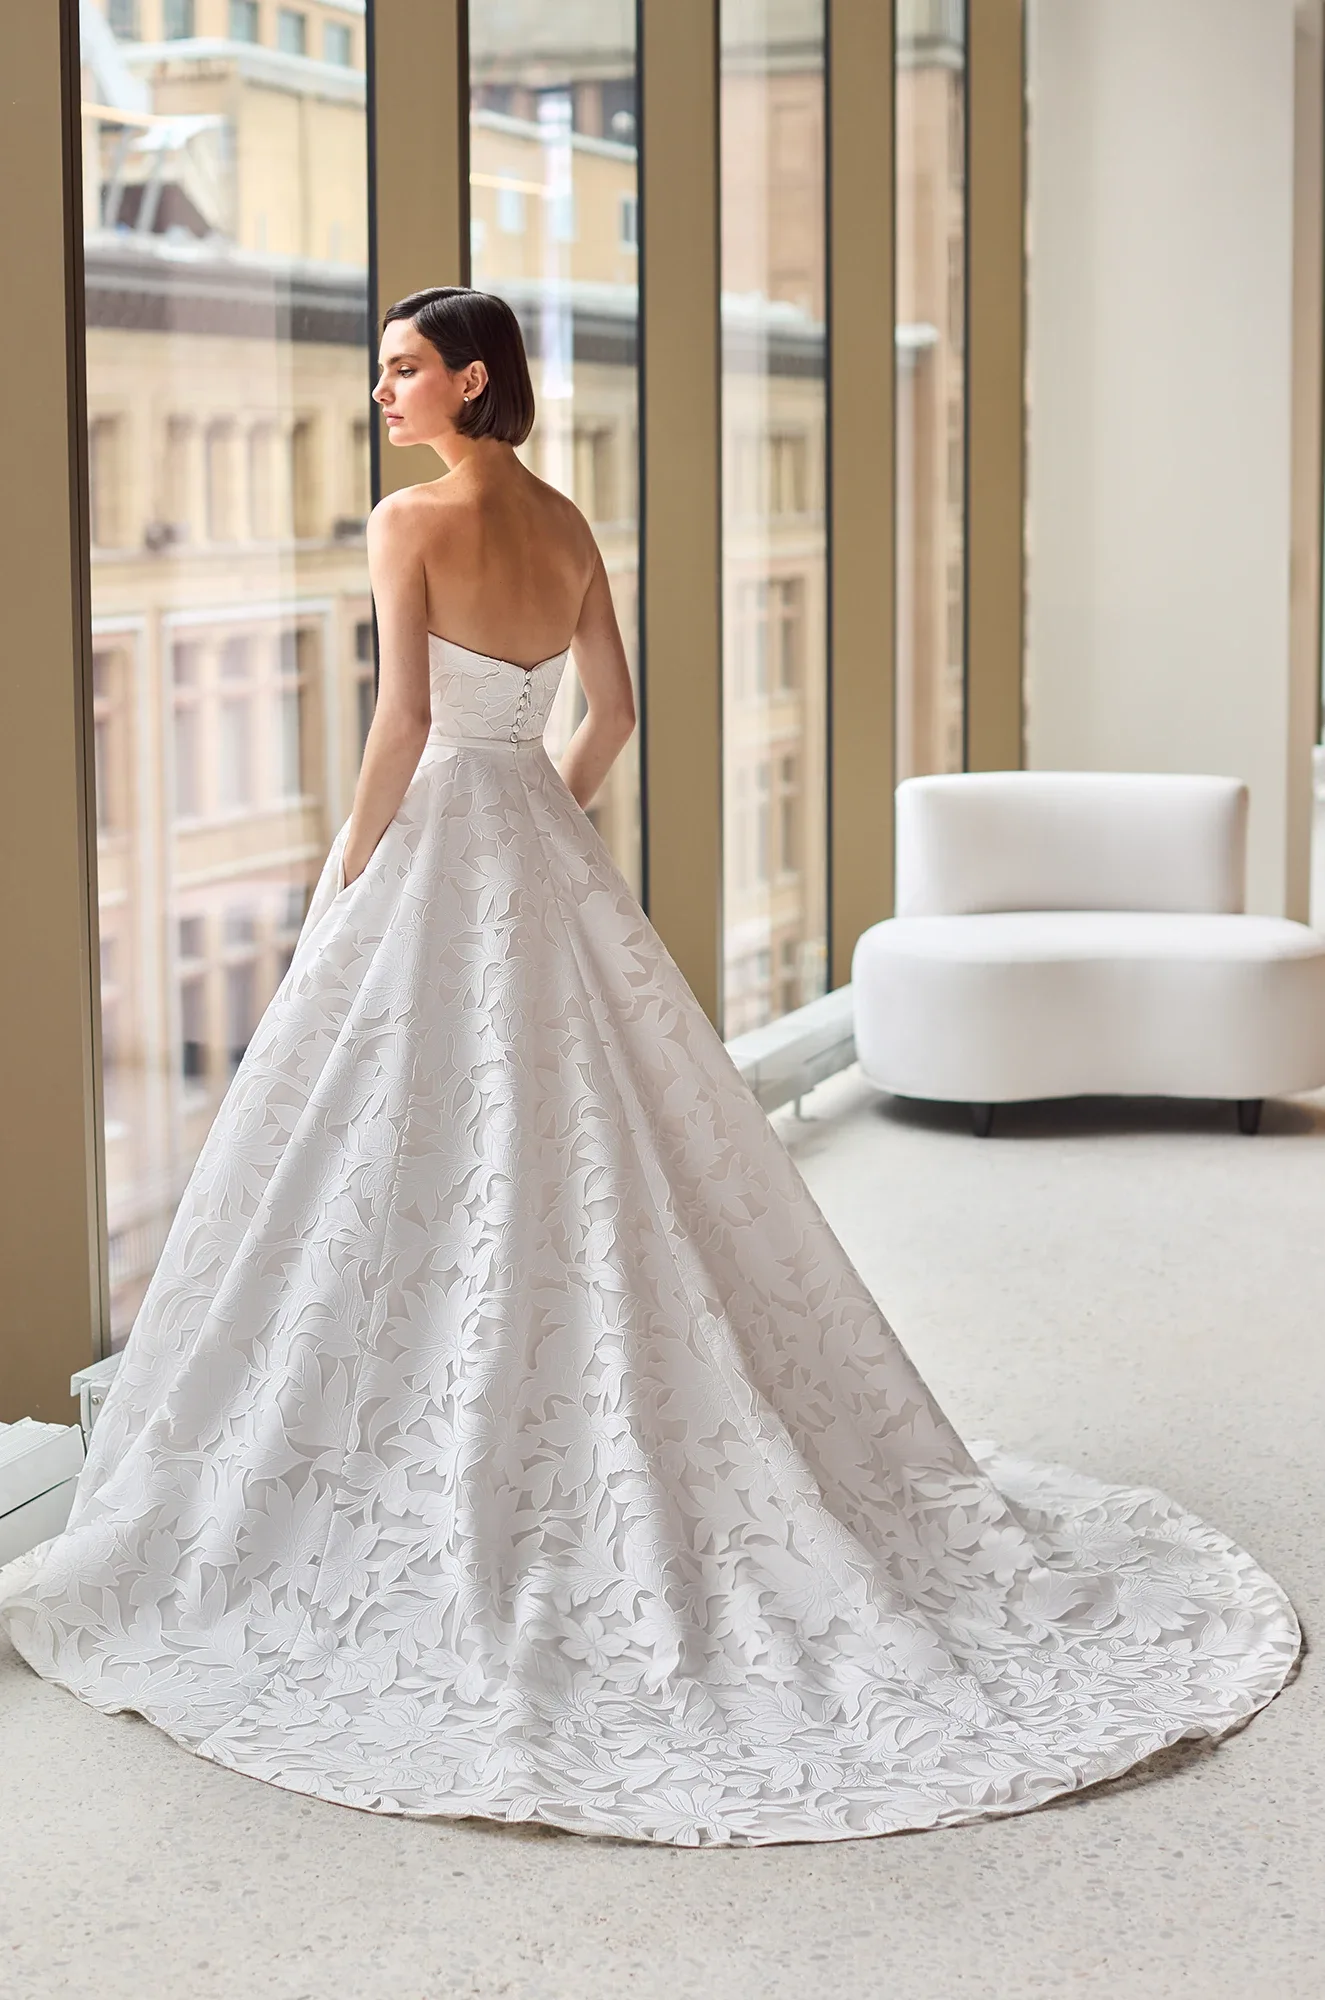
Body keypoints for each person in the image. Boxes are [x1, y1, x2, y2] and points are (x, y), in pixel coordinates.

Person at [0, 288, 1298, 1848]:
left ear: (469, 378)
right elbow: (616, 713)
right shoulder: (564, 524)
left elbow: (403, 717)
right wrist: (544, 808)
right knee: (589, 1146)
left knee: (403, 1151)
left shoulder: (408, 524)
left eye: (404, 367)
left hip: (436, 851)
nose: (382, 390)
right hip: (540, 842)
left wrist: (349, 876)